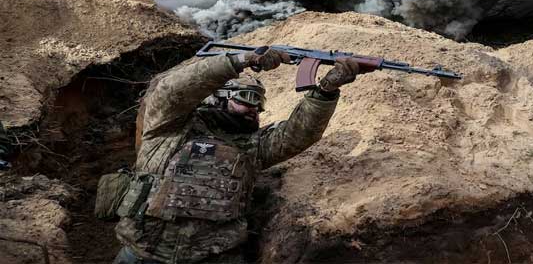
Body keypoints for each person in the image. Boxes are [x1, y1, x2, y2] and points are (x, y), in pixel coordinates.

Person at [113, 48, 360, 264]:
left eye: (259, 103)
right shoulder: (169, 128)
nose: (255, 108)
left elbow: (298, 134)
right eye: (246, 97)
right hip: (143, 252)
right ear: (218, 97)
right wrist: (238, 61)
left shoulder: (253, 146)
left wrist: (326, 91)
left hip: (216, 257)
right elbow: (171, 91)